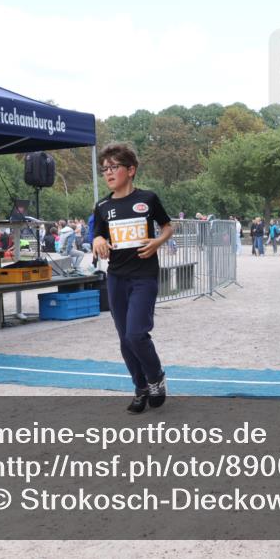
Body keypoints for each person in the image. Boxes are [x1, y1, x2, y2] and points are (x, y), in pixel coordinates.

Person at [92, 143, 174, 414]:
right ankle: (139, 388)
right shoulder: (102, 206)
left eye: (114, 167)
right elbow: (97, 235)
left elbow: (168, 226)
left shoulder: (148, 199)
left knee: (136, 334)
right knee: (124, 338)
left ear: (131, 170)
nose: (108, 173)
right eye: (104, 169)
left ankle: (155, 378)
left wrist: (157, 242)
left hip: (144, 276)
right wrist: (98, 239)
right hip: (116, 277)